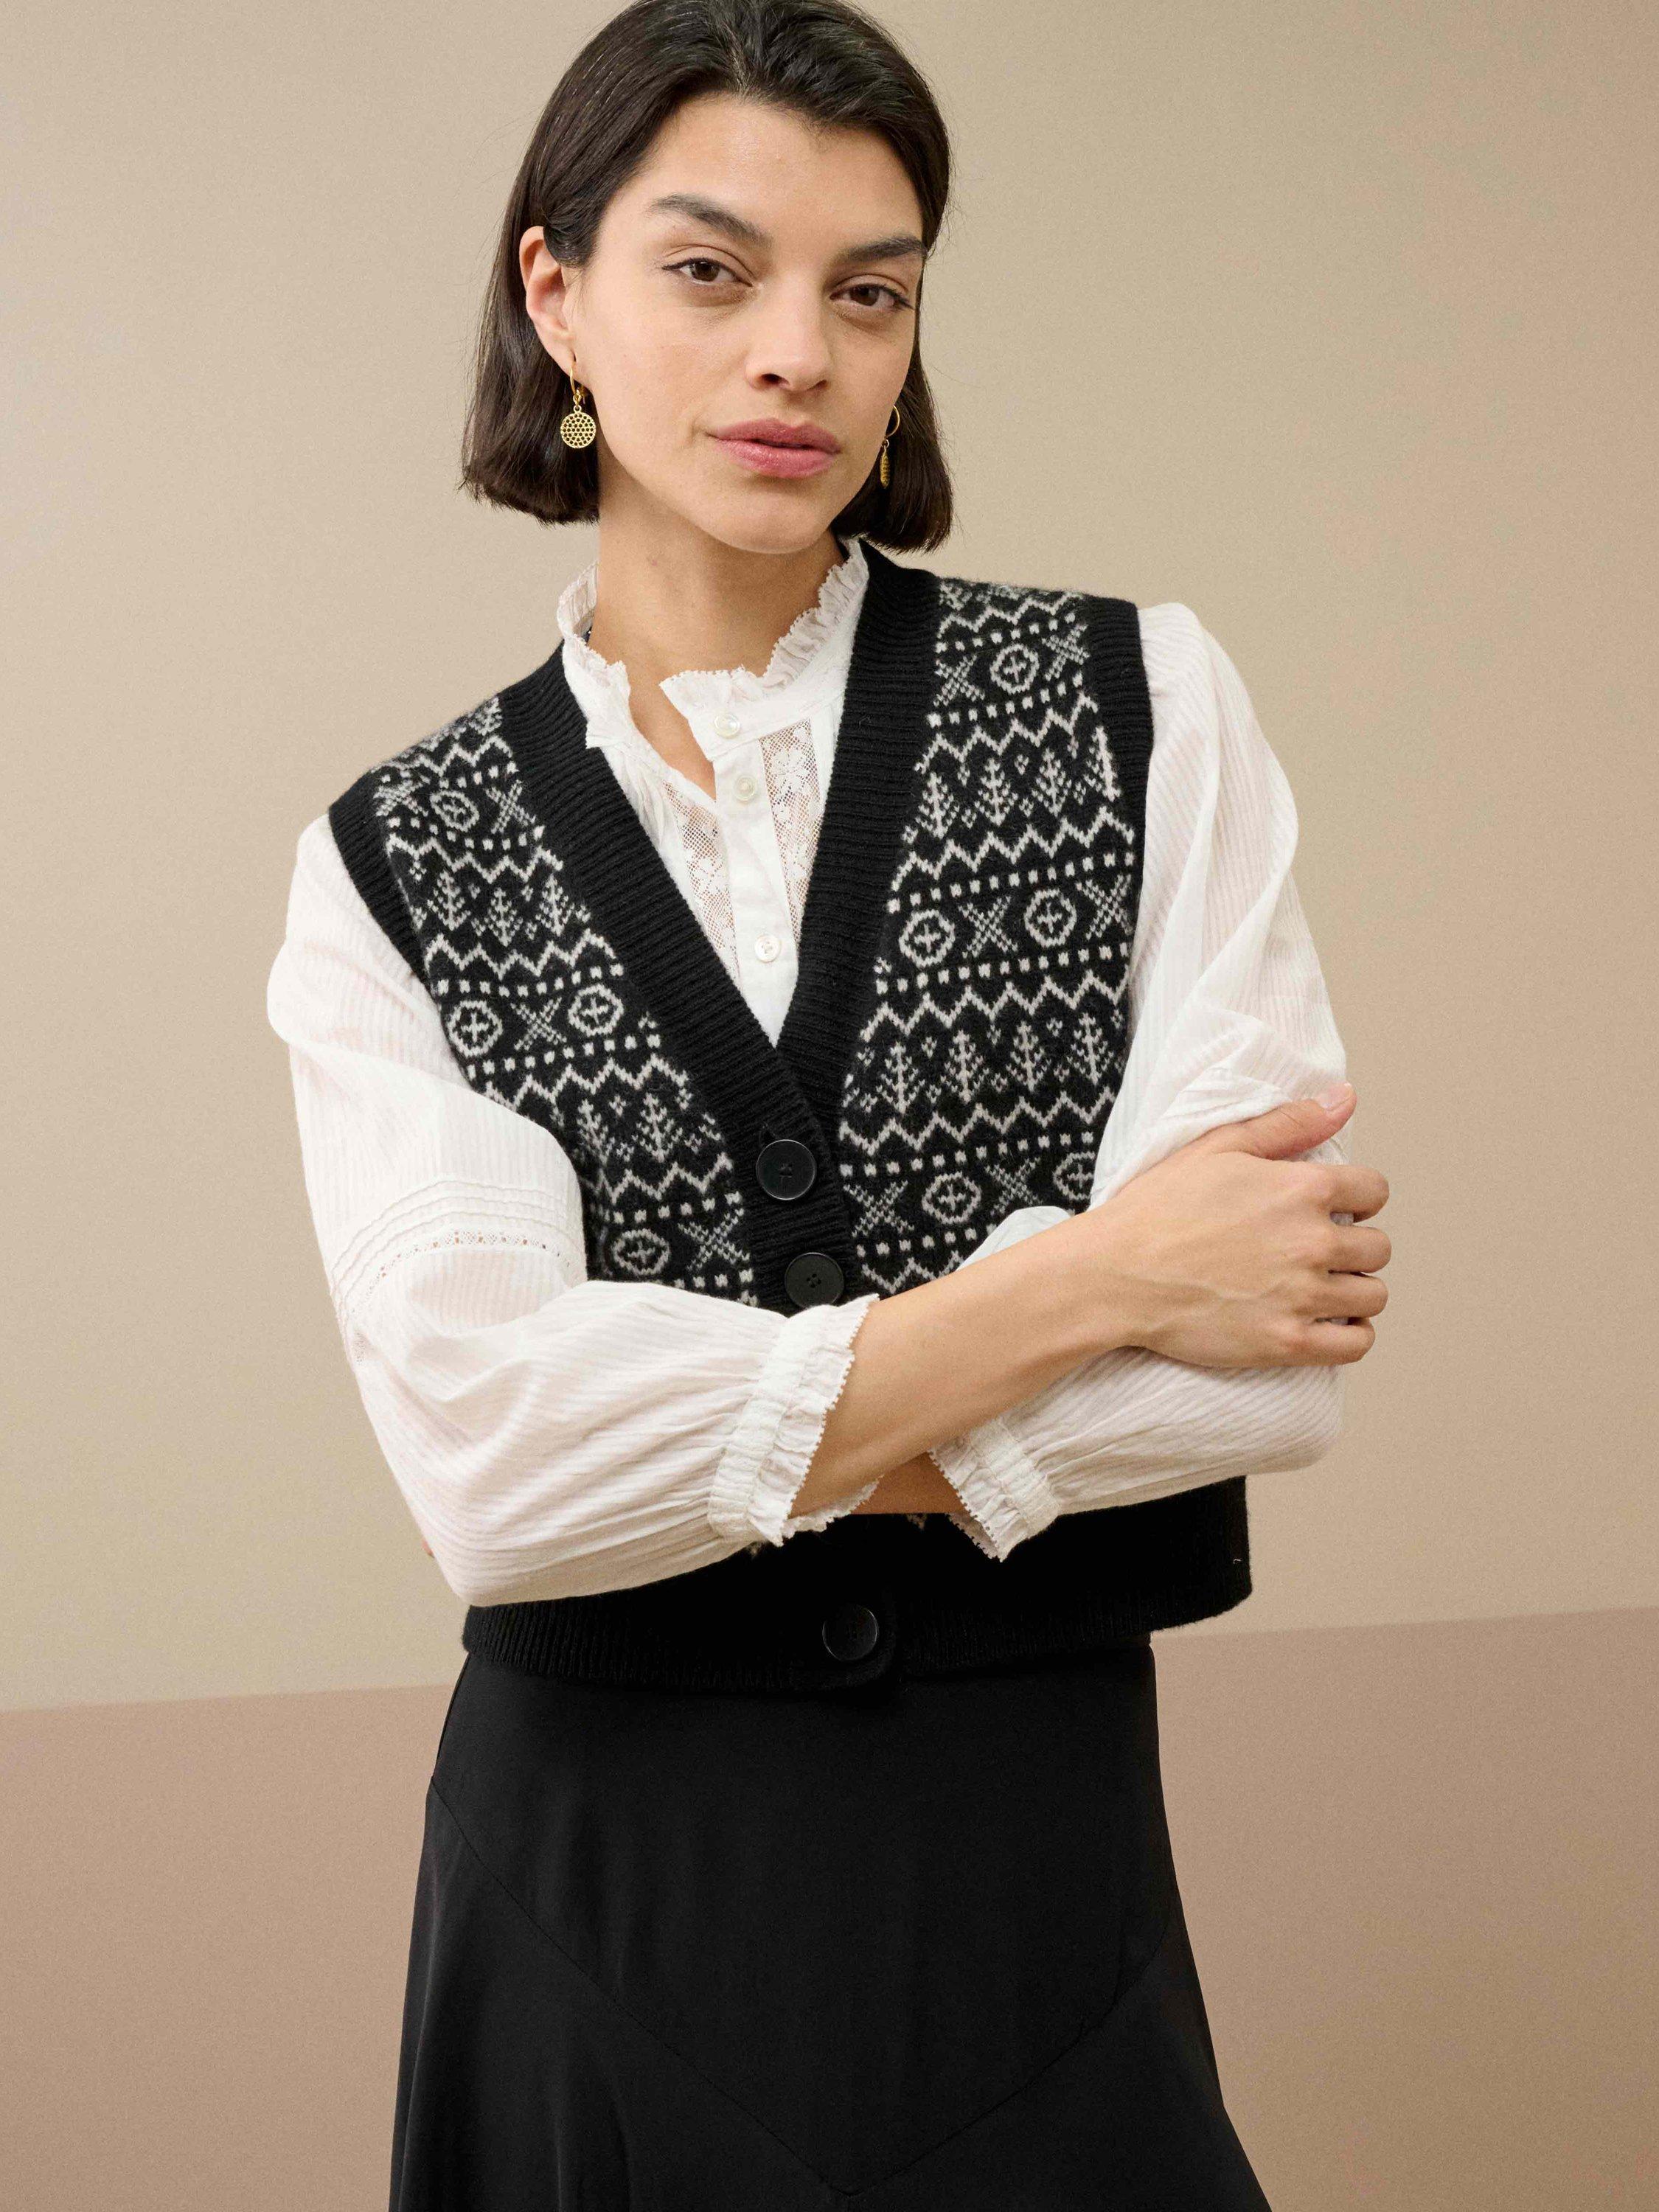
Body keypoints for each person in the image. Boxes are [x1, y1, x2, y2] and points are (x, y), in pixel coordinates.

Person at [265, 2, 1391, 2203]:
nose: (799, 352)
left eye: (870, 293)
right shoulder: (389, 865)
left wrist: (698, 1443)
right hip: (591, 1899)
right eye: (712, 272)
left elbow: (1258, 1372)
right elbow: (497, 1480)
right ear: (555, 294)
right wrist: (1100, 1283)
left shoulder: (1138, 706)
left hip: (1035, 1875)